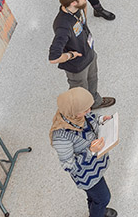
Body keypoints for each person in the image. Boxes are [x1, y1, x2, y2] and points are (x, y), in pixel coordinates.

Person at [50, 87, 117, 217]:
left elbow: (92, 118)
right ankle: (98, 212)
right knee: (103, 198)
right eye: (85, 110)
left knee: (94, 197)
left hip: (94, 167)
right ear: (74, 112)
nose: (89, 111)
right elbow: (69, 166)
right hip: (86, 174)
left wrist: (102, 119)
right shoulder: (61, 137)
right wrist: (90, 151)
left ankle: (98, 210)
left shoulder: (79, 115)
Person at [48, 0, 116, 109]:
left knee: (93, 79)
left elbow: (83, 19)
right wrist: (71, 55)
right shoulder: (63, 25)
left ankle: (95, 101)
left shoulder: (77, 8)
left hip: (89, 54)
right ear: (73, 2)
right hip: (77, 67)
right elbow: (53, 57)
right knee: (80, 92)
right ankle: (84, 111)